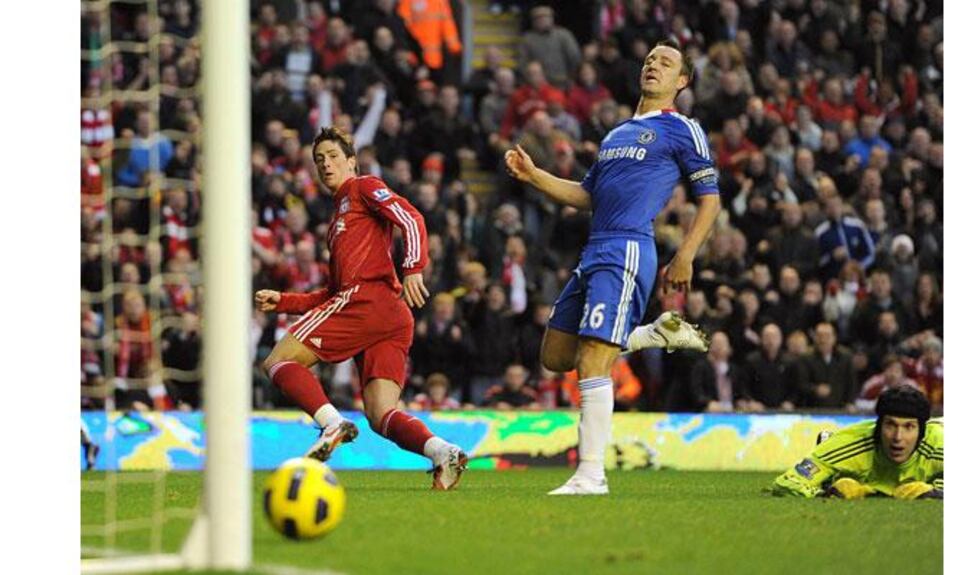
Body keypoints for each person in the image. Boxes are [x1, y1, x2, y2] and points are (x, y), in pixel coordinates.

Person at [505, 38, 720, 495]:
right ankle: (650, 335)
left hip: (628, 249)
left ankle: (591, 475)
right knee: (556, 357)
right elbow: (588, 196)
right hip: (594, 250)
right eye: (649, 59)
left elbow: (710, 199)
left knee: (592, 361)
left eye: (665, 62)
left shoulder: (683, 128)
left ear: (682, 82)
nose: (653, 65)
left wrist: (684, 254)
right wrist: (535, 175)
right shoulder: (616, 133)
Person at [254, 127, 467, 491]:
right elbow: (333, 293)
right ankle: (442, 452)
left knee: (277, 362)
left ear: (352, 161)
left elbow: (411, 217)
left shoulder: (363, 187)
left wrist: (413, 267)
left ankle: (331, 423)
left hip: (368, 302)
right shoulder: (337, 222)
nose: (325, 164)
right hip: (387, 314)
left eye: (333, 156)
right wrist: (285, 302)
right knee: (381, 414)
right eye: (319, 159)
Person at [773, 385, 943, 499]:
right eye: (890, 425)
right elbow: (787, 483)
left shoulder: (939, 444)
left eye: (909, 427)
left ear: (922, 431)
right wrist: (824, 493)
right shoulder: (853, 443)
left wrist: (936, 492)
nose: (898, 437)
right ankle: (830, 471)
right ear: (878, 426)